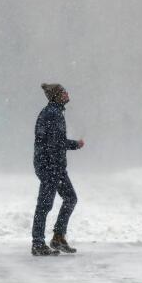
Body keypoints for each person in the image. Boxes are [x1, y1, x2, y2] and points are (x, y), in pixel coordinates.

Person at [31, 83, 84, 256]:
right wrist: (75, 144)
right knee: (45, 205)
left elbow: (55, 141)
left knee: (70, 198)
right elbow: (55, 142)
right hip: (49, 166)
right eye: (63, 92)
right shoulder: (52, 114)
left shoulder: (55, 112)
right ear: (56, 96)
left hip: (56, 166)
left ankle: (58, 237)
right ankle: (38, 243)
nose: (67, 93)